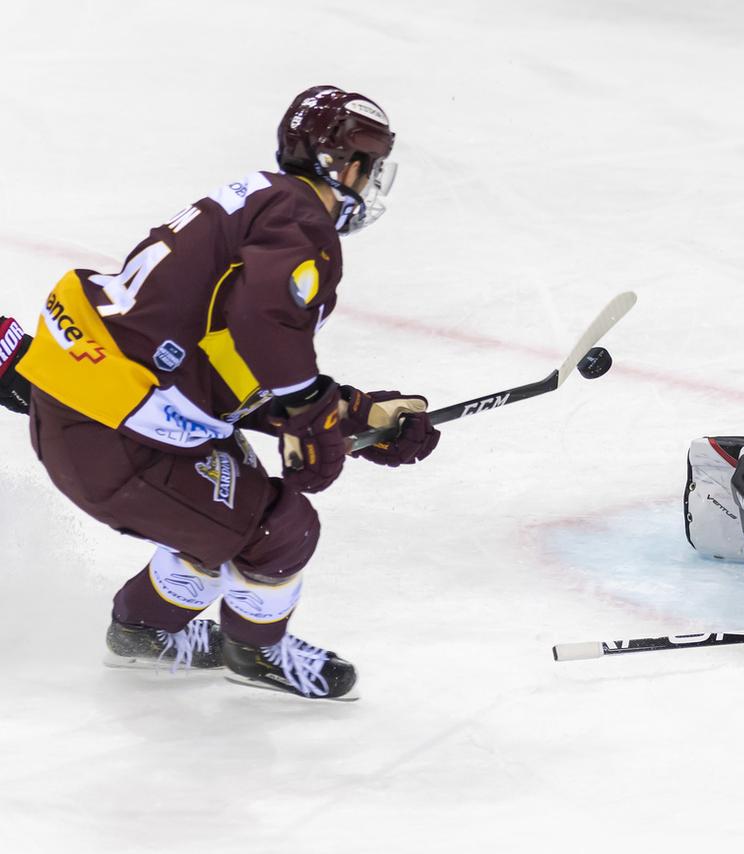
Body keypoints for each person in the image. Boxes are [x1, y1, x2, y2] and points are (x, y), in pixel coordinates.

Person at [16, 85, 439, 700]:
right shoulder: (301, 220)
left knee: (222, 517)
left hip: (89, 412)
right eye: (367, 167)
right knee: (279, 527)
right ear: (345, 165)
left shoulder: (261, 200)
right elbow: (266, 324)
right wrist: (309, 412)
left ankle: (144, 636)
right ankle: (257, 653)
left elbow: (226, 362)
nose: (368, 182)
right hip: (118, 435)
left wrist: (349, 413)